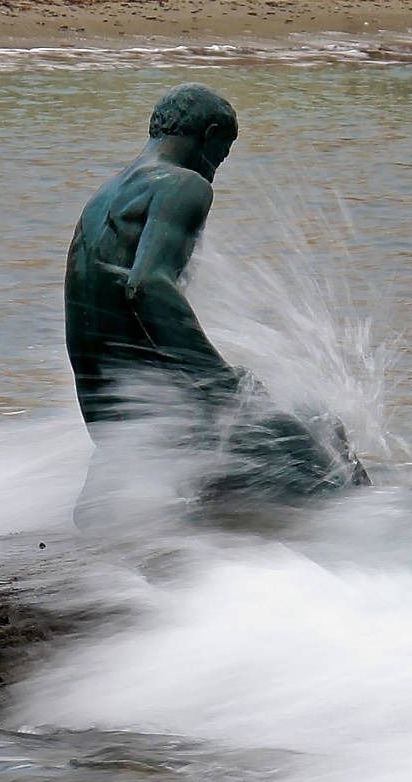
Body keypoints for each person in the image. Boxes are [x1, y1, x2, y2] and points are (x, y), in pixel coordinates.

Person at [64, 84, 365, 499]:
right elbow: (148, 286)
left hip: (110, 419)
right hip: (164, 415)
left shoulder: (105, 198)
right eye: (221, 155)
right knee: (323, 433)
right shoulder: (182, 185)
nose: (216, 168)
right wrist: (221, 383)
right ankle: (377, 532)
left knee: (294, 432)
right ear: (209, 136)